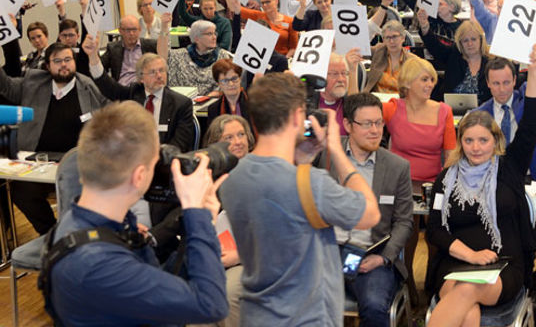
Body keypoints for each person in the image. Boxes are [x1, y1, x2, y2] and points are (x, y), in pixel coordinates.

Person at [46, 101, 228, 326]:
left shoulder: (83, 222)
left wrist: (202, 220)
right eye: (155, 164)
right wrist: (196, 215)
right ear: (139, 176)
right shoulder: (99, 263)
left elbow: (162, 287)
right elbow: (210, 305)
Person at [219, 73, 380, 326]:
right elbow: (370, 213)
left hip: (257, 314)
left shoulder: (233, 178)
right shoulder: (310, 182)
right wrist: (337, 150)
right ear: (297, 117)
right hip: (305, 317)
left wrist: (299, 160)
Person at [426, 44, 536, 326]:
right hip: (455, 262)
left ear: (496, 141)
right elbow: (435, 229)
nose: (476, 148)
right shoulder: (447, 177)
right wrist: (471, 256)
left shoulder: (509, 168)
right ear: (460, 142)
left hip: (504, 263)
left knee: (466, 290)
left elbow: (529, 125)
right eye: (468, 140)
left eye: (483, 140)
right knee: (468, 310)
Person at [315, 93, 414, 327]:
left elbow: (404, 222)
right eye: (367, 124)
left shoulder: (396, 167)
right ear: (348, 125)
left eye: (379, 123)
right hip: (327, 251)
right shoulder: (325, 153)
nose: (375, 130)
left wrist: (383, 257)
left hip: (371, 254)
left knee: (374, 306)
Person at [0, 33, 107, 235]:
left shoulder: (87, 86)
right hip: (37, 161)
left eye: (67, 60)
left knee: (80, 192)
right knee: (21, 191)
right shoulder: (33, 82)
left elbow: (107, 113)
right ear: (48, 66)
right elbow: (5, 86)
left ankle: (74, 234)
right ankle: (51, 234)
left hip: (76, 162)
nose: (64, 65)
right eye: (57, 61)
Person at [475, 36, 536, 182]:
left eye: (506, 82)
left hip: (533, 174)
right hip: (494, 177)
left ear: (515, 81)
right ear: (488, 83)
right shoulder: (479, 114)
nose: (502, 89)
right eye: (496, 83)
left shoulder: (528, 97)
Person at [84, 34, 195, 152]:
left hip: (165, 162)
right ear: (141, 78)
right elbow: (108, 87)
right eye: (152, 72)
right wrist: (93, 56)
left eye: (161, 71)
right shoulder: (133, 94)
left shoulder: (181, 104)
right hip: (133, 158)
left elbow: (179, 145)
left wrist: (152, 160)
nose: (159, 76)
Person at [202, 114, 255, 327]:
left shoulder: (262, 173)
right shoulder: (206, 176)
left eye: (241, 135)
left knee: (227, 294)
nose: (238, 142)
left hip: (253, 258)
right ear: (216, 143)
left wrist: (238, 256)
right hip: (214, 257)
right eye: (229, 137)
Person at [383, 57, 456, 189]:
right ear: (408, 83)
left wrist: (442, 188)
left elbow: (450, 157)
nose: (430, 84)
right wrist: (353, 71)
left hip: (432, 186)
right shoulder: (393, 108)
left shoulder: (445, 111)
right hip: (397, 184)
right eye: (424, 79)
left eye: (432, 80)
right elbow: (357, 110)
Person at [157, 16, 234, 96]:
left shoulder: (222, 55)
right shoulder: (179, 55)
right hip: (184, 102)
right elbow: (162, 55)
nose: (214, 37)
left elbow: (226, 85)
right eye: (209, 34)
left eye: (215, 33)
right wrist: (164, 26)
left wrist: (208, 97)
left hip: (211, 102)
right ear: (197, 38)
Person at [421, 20, 491, 103]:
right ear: (460, 43)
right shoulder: (454, 55)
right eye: (465, 40)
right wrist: (425, 27)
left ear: (481, 40)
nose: (470, 44)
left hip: (481, 112)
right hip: (450, 109)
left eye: (473, 39)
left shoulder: (490, 62)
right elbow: (435, 47)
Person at [362, 20, 419, 93]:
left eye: (394, 37)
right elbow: (360, 51)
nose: (391, 41)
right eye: (387, 38)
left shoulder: (413, 61)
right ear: (383, 40)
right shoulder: (379, 51)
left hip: (401, 101)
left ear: (403, 38)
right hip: (376, 100)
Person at [100, 15, 158, 85]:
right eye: (128, 30)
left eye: (134, 29)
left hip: (143, 88)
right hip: (121, 90)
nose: (131, 33)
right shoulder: (113, 49)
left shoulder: (150, 46)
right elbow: (99, 68)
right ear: (120, 31)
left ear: (140, 30)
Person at [207, 58, 251, 129]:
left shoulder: (255, 104)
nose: (231, 84)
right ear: (219, 84)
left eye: (234, 78)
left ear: (240, 79)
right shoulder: (214, 109)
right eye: (225, 81)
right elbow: (214, 137)